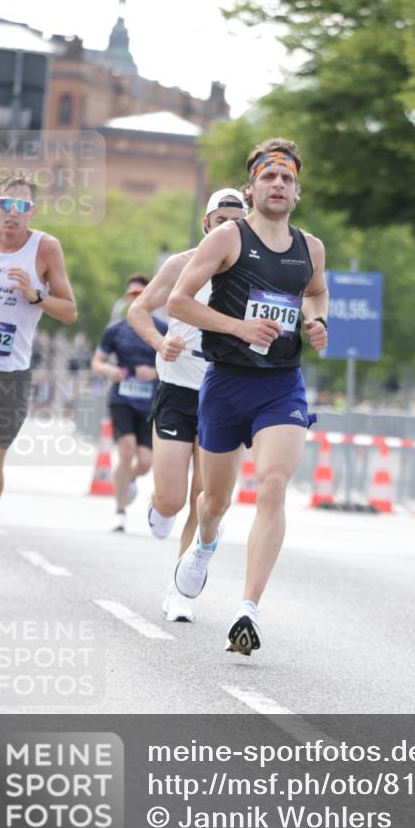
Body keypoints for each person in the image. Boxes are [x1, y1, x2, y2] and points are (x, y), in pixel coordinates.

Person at [168, 138, 328, 655]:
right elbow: (178, 301)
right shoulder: (227, 240)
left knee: (273, 487)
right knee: (214, 501)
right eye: (268, 177)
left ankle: (248, 609)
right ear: (252, 186)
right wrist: (238, 327)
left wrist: (316, 319)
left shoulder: (311, 247)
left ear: (297, 192)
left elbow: (317, 290)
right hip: (226, 383)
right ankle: (205, 543)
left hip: (281, 385)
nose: (277, 185)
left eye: (286, 179)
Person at [127, 189, 248, 623]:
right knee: (173, 498)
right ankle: (158, 505)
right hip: (178, 388)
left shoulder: (254, 270)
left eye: (236, 220)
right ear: (207, 225)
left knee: (207, 496)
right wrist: (161, 342)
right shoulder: (181, 264)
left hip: (227, 390)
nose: (228, 227)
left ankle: (178, 590)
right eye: (221, 220)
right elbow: (139, 311)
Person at [0, 173, 77, 589]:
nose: (13, 213)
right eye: (7, 204)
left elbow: (70, 311)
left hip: (12, 371)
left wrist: (36, 296)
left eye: (22, 207)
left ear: (33, 213)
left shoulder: (45, 248)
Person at [91, 275, 167, 532]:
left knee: (145, 462)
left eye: (141, 295)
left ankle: (129, 479)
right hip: (122, 398)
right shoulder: (115, 330)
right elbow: (97, 361)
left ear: (151, 300)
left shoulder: (162, 330)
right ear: (127, 299)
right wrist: (108, 369)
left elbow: (175, 363)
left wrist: (156, 372)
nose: (136, 299)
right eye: (132, 295)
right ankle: (120, 512)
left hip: (150, 402)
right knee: (125, 450)